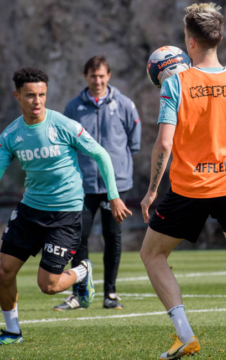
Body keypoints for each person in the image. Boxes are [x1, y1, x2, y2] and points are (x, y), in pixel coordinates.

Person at [0, 67, 131, 346]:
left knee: (49, 286)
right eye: (30, 95)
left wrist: (114, 196)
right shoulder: (11, 135)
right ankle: (12, 332)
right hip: (30, 210)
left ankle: (83, 271)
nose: (37, 101)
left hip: (65, 213)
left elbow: (100, 154)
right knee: (4, 271)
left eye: (42, 94)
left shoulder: (62, 125)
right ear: (17, 96)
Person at [139, 3, 226, 360]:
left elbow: (164, 142)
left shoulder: (174, 83)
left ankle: (185, 335)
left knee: (152, 254)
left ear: (189, 43)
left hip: (188, 190)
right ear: (217, 39)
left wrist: (150, 192)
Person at [54, 56, 141, 311]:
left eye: (102, 75)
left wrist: (117, 168)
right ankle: (79, 294)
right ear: (85, 77)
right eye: (93, 76)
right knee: (78, 238)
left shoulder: (125, 105)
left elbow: (134, 142)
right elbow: (66, 144)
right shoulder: (73, 108)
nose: (98, 80)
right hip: (82, 184)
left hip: (117, 184)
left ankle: (110, 294)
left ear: (109, 76)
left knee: (112, 236)